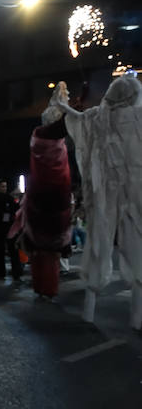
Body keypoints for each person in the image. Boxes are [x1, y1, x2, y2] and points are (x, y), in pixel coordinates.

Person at [52, 75, 142, 327]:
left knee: (98, 241)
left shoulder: (96, 117)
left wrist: (62, 106)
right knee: (137, 242)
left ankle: (89, 310)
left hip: (104, 191)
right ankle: (137, 319)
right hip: (134, 190)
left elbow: (77, 119)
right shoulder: (137, 117)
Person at [7, 90, 74, 300]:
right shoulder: (44, 138)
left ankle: (43, 288)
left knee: (43, 251)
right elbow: (62, 126)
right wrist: (70, 108)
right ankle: (47, 289)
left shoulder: (39, 138)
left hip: (46, 198)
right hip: (51, 197)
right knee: (48, 251)